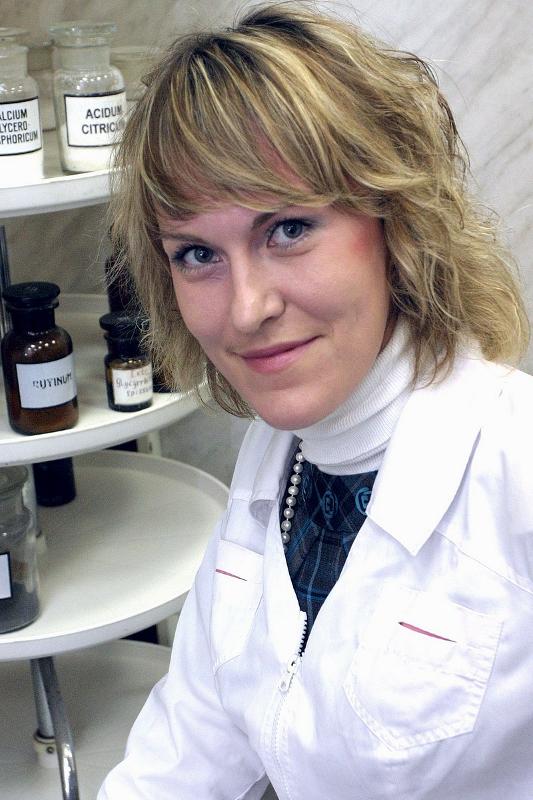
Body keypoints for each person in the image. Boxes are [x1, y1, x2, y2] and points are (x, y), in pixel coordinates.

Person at [98, 4, 533, 799]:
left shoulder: (516, 466)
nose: (245, 310)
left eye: (289, 229)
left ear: (396, 223)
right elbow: (191, 737)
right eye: (196, 254)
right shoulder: (282, 457)